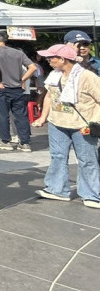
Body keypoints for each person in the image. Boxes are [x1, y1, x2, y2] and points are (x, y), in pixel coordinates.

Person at [32, 44, 100, 208]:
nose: (48, 60)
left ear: (62, 59)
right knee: (58, 156)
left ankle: (92, 194)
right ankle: (57, 189)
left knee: (87, 160)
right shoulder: (54, 75)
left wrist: (95, 120)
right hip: (57, 122)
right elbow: (49, 96)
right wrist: (43, 117)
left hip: (82, 124)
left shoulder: (87, 77)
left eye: (51, 57)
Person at [0, 30, 36, 151]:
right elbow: (33, 67)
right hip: (17, 88)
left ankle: (5, 141)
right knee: (21, 115)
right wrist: (22, 80)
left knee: (3, 116)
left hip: (2, 89)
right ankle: (25, 142)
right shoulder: (18, 53)